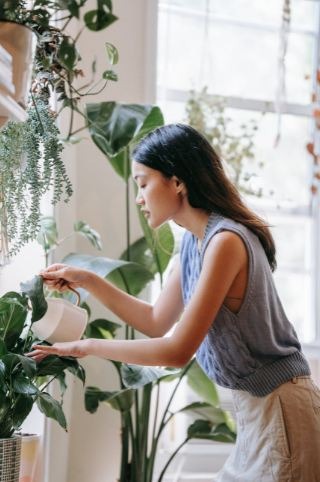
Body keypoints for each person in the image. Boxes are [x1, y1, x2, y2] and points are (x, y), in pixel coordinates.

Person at [27, 124, 320, 481]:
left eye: (143, 183)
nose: (138, 197)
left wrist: (85, 346)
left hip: (282, 411)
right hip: (258, 412)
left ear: (177, 181)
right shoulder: (193, 245)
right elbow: (155, 320)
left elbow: (177, 350)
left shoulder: (225, 241)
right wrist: (86, 279)